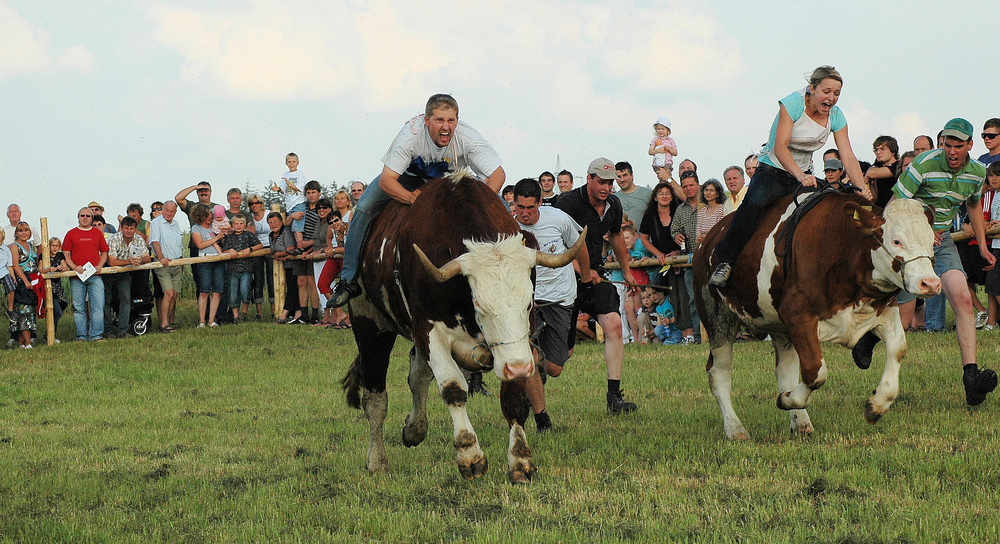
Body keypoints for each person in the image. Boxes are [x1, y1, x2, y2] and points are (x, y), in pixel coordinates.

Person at [330, 93, 505, 307]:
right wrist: (410, 197)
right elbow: (387, 180)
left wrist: (481, 203)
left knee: (501, 207)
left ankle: (509, 273)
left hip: (450, 181)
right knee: (364, 208)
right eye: (439, 120)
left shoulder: (468, 138)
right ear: (426, 120)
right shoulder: (410, 136)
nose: (446, 127)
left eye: (451, 120)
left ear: (457, 121)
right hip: (407, 179)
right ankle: (348, 280)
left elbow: (498, 174)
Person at [708, 66, 872, 287]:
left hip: (803, 174)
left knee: (828, 207)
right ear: (812, 89)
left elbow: (849, 158)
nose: (831, 98)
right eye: (826, 91)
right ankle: (725, 259)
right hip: (773, 170)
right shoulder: (793, 104)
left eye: (836, 93)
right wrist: (800, 175)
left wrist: (861, 188)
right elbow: (780, 147)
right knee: (753, 204)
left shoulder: (837, 116)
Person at [892, 118, 998, 406]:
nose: (951, 152)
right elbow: (896, 205)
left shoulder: (977, 172)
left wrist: (983, 247)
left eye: (958, 146)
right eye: (947, 145)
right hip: (914, 246)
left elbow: (973, 205)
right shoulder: (923, 164)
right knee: (902, 319)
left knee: (963, 300)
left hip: (944, 243)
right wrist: (921, 229)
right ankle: (873, 348)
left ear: (969, 146)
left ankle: (971, 377)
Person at [555, 157, 639, 414]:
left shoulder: (613, 203)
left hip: (595, 278)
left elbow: (615, 235)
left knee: (613, 324)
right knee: (559, 361)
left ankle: (614, 397)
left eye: (610, 182)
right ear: (589, 179)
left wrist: (626, 270)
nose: (606, 187)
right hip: (565, 278)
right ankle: (535, 382)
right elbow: (556, 245)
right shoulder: (566, 203)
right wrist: (583, 271)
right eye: (601, 182)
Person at [512, 177, 588, 431]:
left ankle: (541, 370)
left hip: (560, 297)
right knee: (530, 357)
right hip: (527, 301)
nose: (524, 213)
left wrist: (586, 277)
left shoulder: (558, 219)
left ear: (540, 203)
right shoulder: (507, 228)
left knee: (554, 367)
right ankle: (541, 419)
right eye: (519, 207)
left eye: (529, 208)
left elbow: (579, 244)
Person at [63, 207, 109, 342]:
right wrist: (74, 267)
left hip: (95, 276)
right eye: (82, 215)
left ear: (91, 218)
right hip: (77, 277)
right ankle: (81, 336)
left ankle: (96, 335)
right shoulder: (71, 233)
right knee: (79, 308)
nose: (85, 218)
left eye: (88, 216)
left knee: (98, 306)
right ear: (78, 217)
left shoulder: (97, 233)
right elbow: (66, 254)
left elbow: (104, 252)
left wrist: (100, 265)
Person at [669, 171, 703, 344]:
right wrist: (677, 237)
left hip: (707, 259)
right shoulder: (680, 210)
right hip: (689, 262)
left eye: (691, 185)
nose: (688, 189)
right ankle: (697, 337)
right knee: (694, 300)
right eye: (685, 186)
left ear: (698, 185)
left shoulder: (709, 205)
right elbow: (673, 229)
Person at [104, 216, 150, 338]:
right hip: (110, 272)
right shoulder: (115, 239)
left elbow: (147, 256)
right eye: (126, 228)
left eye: (131, 228)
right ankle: (108, 331)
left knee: (125, 300)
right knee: (107, 301)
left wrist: (140, 260)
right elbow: (112, 261)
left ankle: (122, 331)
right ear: (122, 228)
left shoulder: (138, 239)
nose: (129, 231)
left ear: (135, 229)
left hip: (124, 273)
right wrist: (129, 261)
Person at [149, 201, 184, 332]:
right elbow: (155, 241)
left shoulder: (176, 224)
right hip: (163, 264)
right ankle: (163, 324)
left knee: (174, 295)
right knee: (168, 293)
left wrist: (181, 260)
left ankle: (169, 321)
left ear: (175, 212)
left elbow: (178, 244)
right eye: (167, 210)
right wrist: (161, 257)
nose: (169, 213)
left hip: (176, 263)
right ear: (163, 210)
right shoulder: (156, 223)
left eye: (172, 211)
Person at [222, 213, 263, 323]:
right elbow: (224, 251)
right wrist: (230, 251)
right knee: (233, 292)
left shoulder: (248, 235)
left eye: (241, 223)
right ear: (232, 225)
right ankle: (236, 317)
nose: (239, 225)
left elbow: (260, 245)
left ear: (245, 225)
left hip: (246, 269)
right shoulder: (229, 238)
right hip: (232, 269)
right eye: (236, 223)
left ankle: (244, 313)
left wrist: (250, 249)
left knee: (245, 291)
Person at [190, 204, 226, 328]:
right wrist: (216, 238)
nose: (211, 216)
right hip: (204, 260)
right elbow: (200, 245)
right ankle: (201, 321)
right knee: (204, 292)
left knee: (217, 292)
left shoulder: (214, 225)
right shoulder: (196, 228)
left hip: (218, 260)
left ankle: (211, 321)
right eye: (208, 214)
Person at [8, 223, 38, 348]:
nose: (24, 233)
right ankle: (28, 342)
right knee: (24, 310)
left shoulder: (31, 246)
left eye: (26, 230)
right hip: (21, 281)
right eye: (20, 231)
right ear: (16, 233)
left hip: (33, 279)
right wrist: (25, 281)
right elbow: (15, 265)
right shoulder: (14, 246)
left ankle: (22, 342)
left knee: (30, 310)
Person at [268, 211, 302, 324]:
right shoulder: (271, 235)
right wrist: (280, 256)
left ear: (281, 222)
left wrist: (279, 254)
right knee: (293, 288)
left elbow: (291, 248)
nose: (273, 224)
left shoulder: (286, 232)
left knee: (292, 289)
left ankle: (283, 316)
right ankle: (298, 315)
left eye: (275, 222)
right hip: (286, 265)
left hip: (294, 264)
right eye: (270, 223)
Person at [272, 152, 308, 250]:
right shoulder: (285, 175)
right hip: (290, 204)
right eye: (289, 162)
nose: (292, 164)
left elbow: (302, 188)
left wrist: (291, 185)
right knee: (292, 226)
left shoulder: (299, 174)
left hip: (298, 202)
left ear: (298, 162)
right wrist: (278, 189)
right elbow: (284, 190)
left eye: (294, 161)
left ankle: (300, 247)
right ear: (286, 163)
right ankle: (298, 246)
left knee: (297, 226)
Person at [246, 194, 272, 320]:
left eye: (256, 203)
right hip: (256, 249)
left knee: (272, 278)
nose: (254, 205)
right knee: (258, 280)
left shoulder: (269, 214)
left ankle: (274, 310)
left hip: (270, 248)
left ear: (261, 203)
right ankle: (259, 313)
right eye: (251, 204)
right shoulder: (249, 217)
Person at [982, 162, 1000, 330]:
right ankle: (992, 323)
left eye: (997, 175)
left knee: (995, 283)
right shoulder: (993, 195)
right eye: (991, 175)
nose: (993, 178)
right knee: (991, 285)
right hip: (995, 245)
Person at [864, 135, 900, 208]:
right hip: (879, 210)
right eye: (876, 149)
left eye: (882, 149)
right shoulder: (876, 167)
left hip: (895, 209)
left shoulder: (898, 166)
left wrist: (870, 173)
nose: (878, 152)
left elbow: (871, 173)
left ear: (892, 152)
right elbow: (874, 198)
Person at [614, 161, 652, 225]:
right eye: (619, 177)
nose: (622, 179)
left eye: (625, 175)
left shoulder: (647, 193)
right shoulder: (613, 198)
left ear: (632, 175)